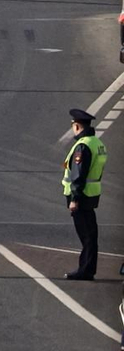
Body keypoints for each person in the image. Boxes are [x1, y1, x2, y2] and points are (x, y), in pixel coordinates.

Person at [63, 107, 107, 280]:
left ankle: (85, 270)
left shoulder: (82, 146)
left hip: (82, 197)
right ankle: (87, 269)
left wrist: (74, 199)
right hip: (92, 195)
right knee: (90, 234)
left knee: (87, 236)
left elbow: (78, 175)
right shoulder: (97, 143)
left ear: (76, 126)